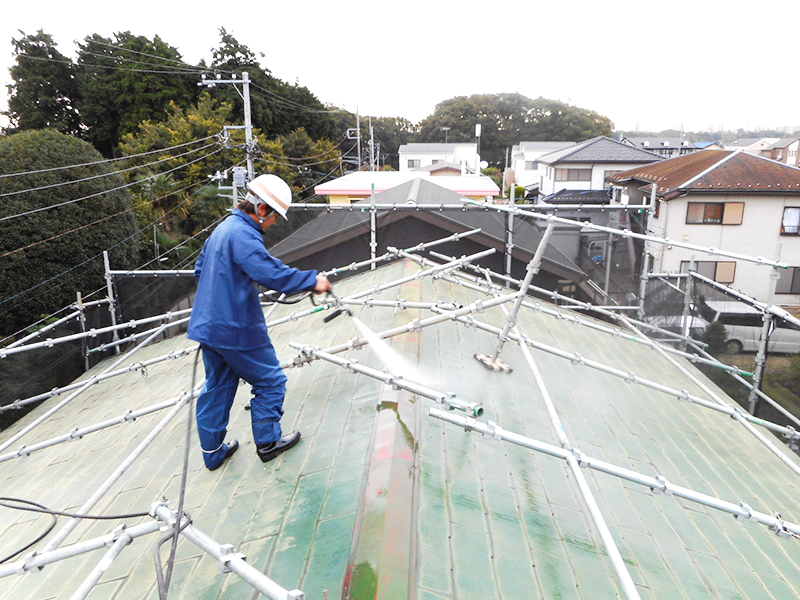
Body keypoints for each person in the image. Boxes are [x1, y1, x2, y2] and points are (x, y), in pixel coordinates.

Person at [187, 174, 331, 470]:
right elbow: (270, 272)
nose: (274, 223)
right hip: (235, 328)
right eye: (275, 217)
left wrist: (228, 290)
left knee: (218, 386)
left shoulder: (223, 229)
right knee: (270, 380)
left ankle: (213, 453)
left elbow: (200, 268)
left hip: (208, 324)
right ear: (262, 209)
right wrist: (312, 281)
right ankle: (267, 442)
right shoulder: (243, 235)